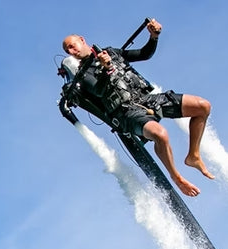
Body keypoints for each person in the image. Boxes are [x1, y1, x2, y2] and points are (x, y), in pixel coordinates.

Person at [62, 19, 214, 197]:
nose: (72, 52)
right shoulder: (83, 76)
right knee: (161, 134)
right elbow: (98, 89)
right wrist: (106, 68)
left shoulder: (111, 52)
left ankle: (193, 156)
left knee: (203, 106)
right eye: (68, 51)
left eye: (72, 46)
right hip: (127, 113)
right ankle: (177, 177)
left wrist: (154, 37)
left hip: (147, 99)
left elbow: (144, 54)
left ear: (82, 39)